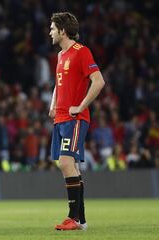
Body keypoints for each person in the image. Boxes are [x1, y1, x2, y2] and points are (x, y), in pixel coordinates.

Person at [48, 12, 105, 230]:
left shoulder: (81, 52)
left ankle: (73, 218)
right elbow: (59, 83)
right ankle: (81, 220)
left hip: (75, 118)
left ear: (62, 30)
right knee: (72, 166)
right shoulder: (62, 55)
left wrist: (80, 107)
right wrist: (53, 103)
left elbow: (98, 81)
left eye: (53, 28)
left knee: (65, 163)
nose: (50, 32)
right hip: (61, 117)